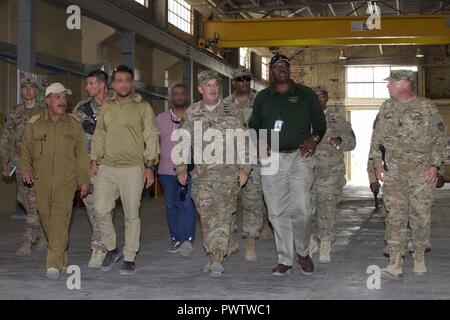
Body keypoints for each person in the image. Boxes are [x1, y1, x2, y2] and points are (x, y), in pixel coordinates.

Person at [249, 54, 326, 276]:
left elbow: (320, 126)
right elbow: (254, 126)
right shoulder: (263, 97)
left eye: (285, 66)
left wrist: (314, 139)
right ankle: (285, 258)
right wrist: (260, 141)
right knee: (275, 211)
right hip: (272, 158)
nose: (281, 69)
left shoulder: (305, 94)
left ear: (289, 70)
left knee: (301, 208)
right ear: (271, 72)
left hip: (299, 157)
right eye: (276, 66)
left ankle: (302, 252)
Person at [368, 70, 447, 279]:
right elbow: (376, 138)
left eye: (391, 83)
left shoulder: (426, 107)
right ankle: (395, 262)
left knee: (420, 216)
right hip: (394, 174)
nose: (388, 87)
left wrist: (435, 165)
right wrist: (376, 163)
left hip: (421, 174)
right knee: (394, 216)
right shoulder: (386, 107)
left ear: (405, 84)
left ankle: (419, 255)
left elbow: (441, 140)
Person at [175, 70, 251, 277]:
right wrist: (181, 168)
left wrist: (245, 168)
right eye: (208, 85)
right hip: (202, 176)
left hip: (228, 175)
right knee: (207, 217)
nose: (213, 89)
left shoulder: (232, 111)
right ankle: (220, 249)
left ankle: (217, 256)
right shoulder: (192, 113)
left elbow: (243, 140)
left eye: (216, 85)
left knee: (223, 215)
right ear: (200, 89)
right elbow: (182, 140)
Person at [91, 65, 159, 276]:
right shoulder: (107, 107)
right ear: (113, 84)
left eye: (127, 80)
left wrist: (149, 167)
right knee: (100, 209)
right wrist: (94, 159)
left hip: (133, 169)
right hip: (108, 167)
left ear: (132, 83)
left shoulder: (143, 107)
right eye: (119, 80)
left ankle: (129, 256)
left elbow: (151, 137)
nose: (123, 84)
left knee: (131, 214)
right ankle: (112, 249)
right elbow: (100, 133)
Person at [21, 82, 90, 279]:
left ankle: (52, 264)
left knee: (60, 220)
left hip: (66, 181)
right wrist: (26, 168)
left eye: (64, 98)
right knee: (46, 219)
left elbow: (82, 155)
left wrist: (84, 179)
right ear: (48, 100)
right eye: (58, 97)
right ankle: (62, 257)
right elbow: (25, 149)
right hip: (40, 180)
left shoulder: (74, 125)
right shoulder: (34, 124)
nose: (62, 101)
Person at [0, 77, 46, 256]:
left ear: (36, 91)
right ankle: (42, 234)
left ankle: (28, 239)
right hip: (19, 162)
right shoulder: (15, 111)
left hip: (39, 163)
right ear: (21, 91)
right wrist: (4, 159)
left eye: (31, 88)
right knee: (23, 198)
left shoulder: (44, 111)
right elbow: (6, 136)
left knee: (35, 200)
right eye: (24, 88)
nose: (28, 91)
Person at [223, 67, 265, 262]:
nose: (244, 82)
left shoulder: (262, 102)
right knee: (228, 201)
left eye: (247, 79)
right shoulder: (224, 105)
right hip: (231, 160)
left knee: (252, 201)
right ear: (233, 82)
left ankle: (250, 242)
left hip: (255, 160)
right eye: (239, 79)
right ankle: (231, 239)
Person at [310, 85, 356, 263]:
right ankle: (310, 240)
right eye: (315, 96)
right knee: (305, 211)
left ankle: (325, 245)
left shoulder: (338, 119)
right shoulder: (302, 118)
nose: (318, 98)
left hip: (330, 174)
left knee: (326, 211)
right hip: (306, 173)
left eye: (322, 96)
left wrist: (340, 141)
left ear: (326, 99)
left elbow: (351, 143)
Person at [72, 70, 109, 268]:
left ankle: (104, 245)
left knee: (105, 208)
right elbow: (73, 137)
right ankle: (100, 245)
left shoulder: (118, 107)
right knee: (94, 207)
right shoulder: (82, 109)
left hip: (114, 167)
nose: (87, 87)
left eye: (91, 83)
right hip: (90, 167)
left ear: (101, 85)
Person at [156, 83, 196, 256]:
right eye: (176, 94)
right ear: (171, 97)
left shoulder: (194, 117)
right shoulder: (160, 119)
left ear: (186, 96)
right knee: (171, 205)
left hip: (189, 170)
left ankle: (187, 240)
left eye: (182, 93)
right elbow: (153, 142)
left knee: (188, 204)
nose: (179, 96)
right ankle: (176, 239)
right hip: (166, 170)